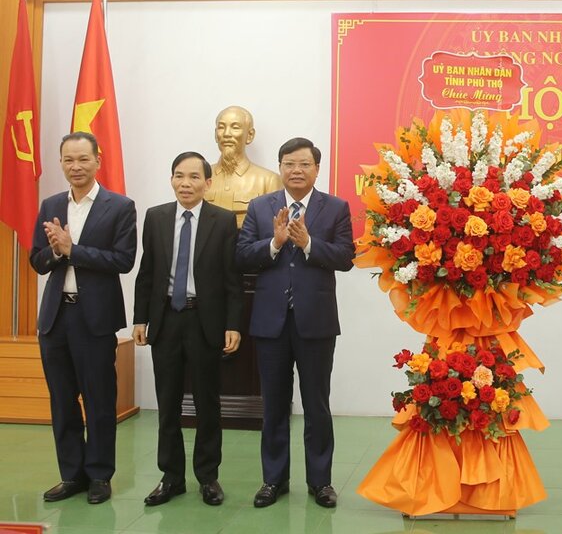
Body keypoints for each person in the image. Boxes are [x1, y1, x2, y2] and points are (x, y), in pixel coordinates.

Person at [236, 137, 354, 508]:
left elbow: (346, 257)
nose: (296, 171)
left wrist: (308, 245)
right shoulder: (260, 207)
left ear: (317, 168)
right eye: (289, 164)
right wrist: (274, 242)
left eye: (304, 164)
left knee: (316, 403)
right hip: (270, 322)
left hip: (315, 323)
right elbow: (241, 256)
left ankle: (320, 482)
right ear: (280, 167)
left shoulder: (335, 208)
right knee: (273, 405)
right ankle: (274, 480)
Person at [29, 132, 137, 504]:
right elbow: (36, 259)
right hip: (55, 319)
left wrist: (73, 249)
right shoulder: (51, 204)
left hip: (95, 319)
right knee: (61, 400)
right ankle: (71, 474)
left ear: (97, 160)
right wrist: (57, 253)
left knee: (99, 400)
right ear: (60, 163)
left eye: (82, 160)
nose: (75, 167)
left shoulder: (119, 206)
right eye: (68, 160)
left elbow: (123, 261)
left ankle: (99, 476)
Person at [132, 152, 243, 507]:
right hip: (165, 320)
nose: (186, 183)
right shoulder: (156, 217)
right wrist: (140, 319)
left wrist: (233, 325)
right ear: (171, 180)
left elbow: (232, 279)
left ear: (207, 183)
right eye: (179, 176)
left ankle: (208, 478)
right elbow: (147, 272)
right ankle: (171, 477)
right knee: (167, 403)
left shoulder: (223, 220)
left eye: (194, 177)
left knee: (208, 404)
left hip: (204, 321)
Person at [207, 105, 282, 226]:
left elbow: (271, 228)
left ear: (250, 135)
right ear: (216, 135)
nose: (226, 134)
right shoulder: (201, 177)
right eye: (221, 127)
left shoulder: (269, 180)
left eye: (235, 127)